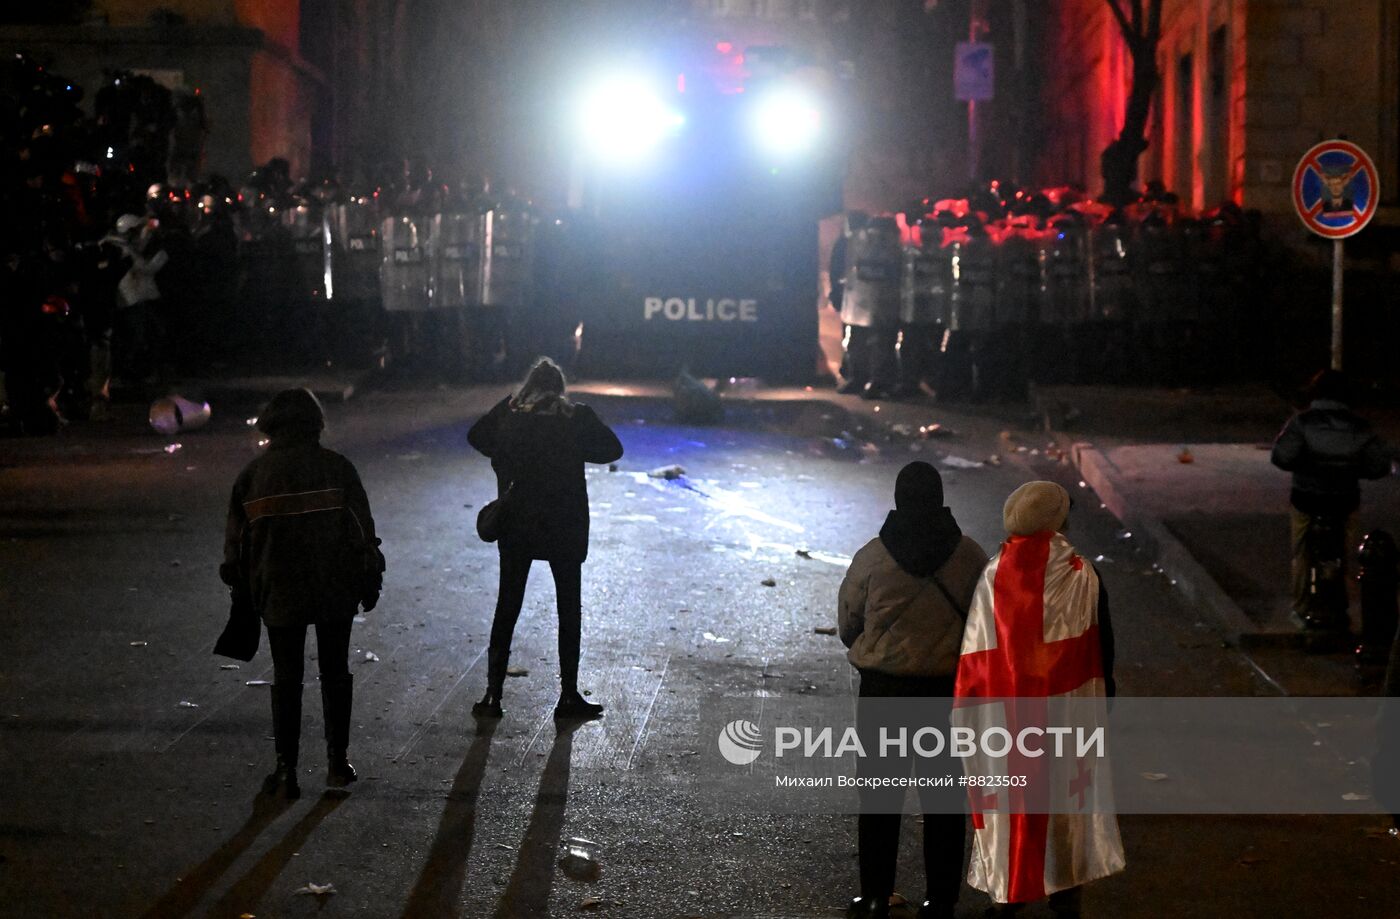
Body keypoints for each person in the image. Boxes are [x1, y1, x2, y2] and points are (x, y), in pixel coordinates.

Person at [954, 482, 1121, 918]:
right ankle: (1066, 898)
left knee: (1013, 807)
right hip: (1069, 712)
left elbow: (976, 656)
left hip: (1007, 720)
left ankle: (1010, 894)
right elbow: (1103, 650)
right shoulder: (1082, 573)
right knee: (1067, 807)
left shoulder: (993, 575)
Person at [838, 461, 989, 919]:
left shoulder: (871, 557)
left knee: (880, 798)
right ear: (940, 498)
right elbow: (987, 625)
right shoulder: (970, 557)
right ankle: (941, 901)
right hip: (947, 694)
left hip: (884, 693)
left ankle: (875, 897)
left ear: (899, 500)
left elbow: (849, 624)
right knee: (944, 800)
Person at [221, 388, 383, 799]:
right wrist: (368, 579)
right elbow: (362, 533)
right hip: (334, 589)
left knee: (287, 677)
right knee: (335, 670)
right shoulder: (338, 469)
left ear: (271, 427)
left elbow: (237, 551)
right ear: (316, 424)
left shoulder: (252, 477)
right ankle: (337, 762)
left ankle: (286, 770)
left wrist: (246, 591)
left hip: (280, 592)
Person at [467, 357, 623, 720]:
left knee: (508, 606)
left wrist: (505, 457)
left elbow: (476, 436)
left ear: (529, 386)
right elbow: (612, 450)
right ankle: (568, 696)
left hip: (516, 521)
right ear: (559, 389)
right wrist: (572, 449)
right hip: (563, 523)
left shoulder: (509, 411)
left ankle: (493, 696)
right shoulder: (575, 416)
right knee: (568, 609)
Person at [1271, 369, 1390, 630]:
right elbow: (1380, 465)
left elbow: (1281, 457)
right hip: (1344, 500)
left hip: (1307, 498)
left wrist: (1307, 466)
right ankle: (1340, 604)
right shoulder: (1360, 426)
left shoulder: (1302, 422)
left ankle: (1301, 607)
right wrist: (1354, 468)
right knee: (1344, 553)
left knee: (1301, 552)